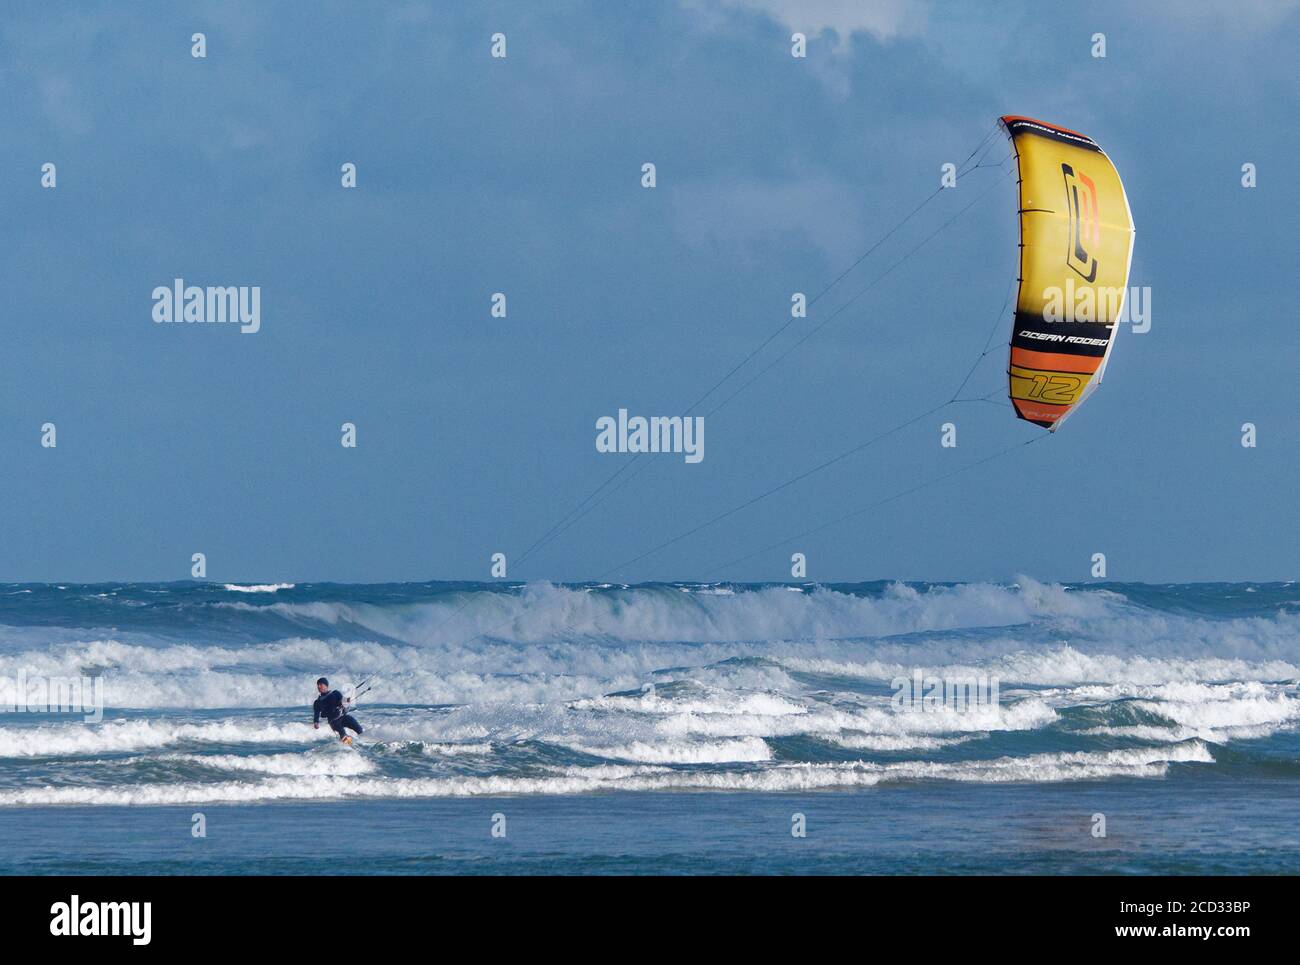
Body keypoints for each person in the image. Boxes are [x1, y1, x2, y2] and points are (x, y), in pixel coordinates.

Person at [313, 677, 363, 744]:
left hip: (343, 717)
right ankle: (347, 746)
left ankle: (365, 741)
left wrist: (345, 703)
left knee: (359, 729)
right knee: (343, 736)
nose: (318, 686)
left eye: (320, 684)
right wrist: (316, 722)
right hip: (334, 722)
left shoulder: (336, 693)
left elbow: (345, 705)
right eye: (318, 685)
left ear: (326, 685)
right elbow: (316, 713)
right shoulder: (318, 702)